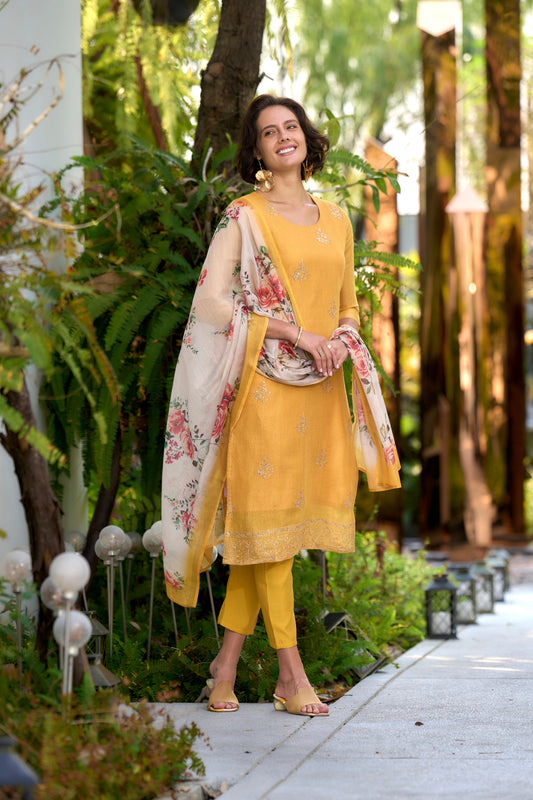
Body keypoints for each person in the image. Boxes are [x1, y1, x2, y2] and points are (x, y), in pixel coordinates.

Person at [161, 94, 400, 717]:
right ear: (258, 150)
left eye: (291, 126)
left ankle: (225, 666)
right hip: (263, 389)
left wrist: (342, 341)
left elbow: (349, 303)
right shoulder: (243, 217)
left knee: (275, 538)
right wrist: (293, 334)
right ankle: (292, 677)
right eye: (269, 132)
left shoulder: (338, 218)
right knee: (267, 529)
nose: (283, 137)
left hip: (321, 389)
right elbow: (212, 304)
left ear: (306, 138)